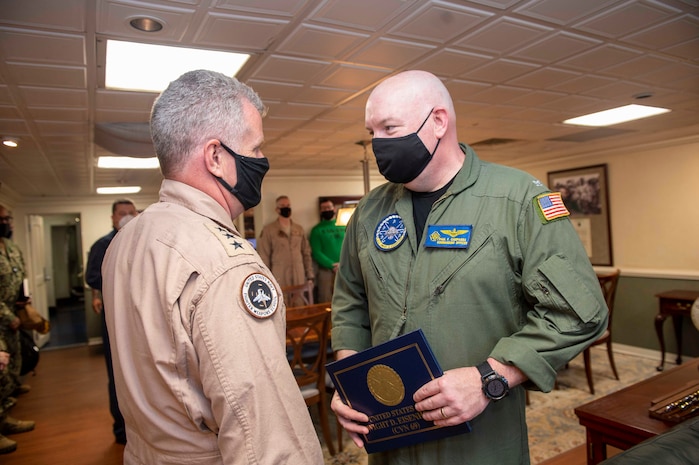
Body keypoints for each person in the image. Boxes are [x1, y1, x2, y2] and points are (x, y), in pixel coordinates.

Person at [330, 70, 609, 464]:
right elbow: (351, 301)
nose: (378, 144)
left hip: (481, 443)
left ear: (439, 121)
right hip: (390, 441)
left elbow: (579, 314)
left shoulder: (518, 201)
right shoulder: (370, 211)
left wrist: (490, 378)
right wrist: (350, 382)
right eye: (372, 131)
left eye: (390, 127)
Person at [101, 70, 323, 464]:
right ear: (216, 157)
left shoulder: (127, 240)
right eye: (255, 149)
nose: (262, 161)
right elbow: (265, 438)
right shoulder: (223, 263)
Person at [85, 198, 138, 445]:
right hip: (114, 319)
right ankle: (121, 429)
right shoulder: (102, 245)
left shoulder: (142, 240)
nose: (127, 216)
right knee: (117, 372)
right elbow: (92, 277)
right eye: (122, 213)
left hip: (139, 317)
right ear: (114, 218)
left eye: (132, 212)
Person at [0, 206, 35, 454]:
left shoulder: (11, 247)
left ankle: (5, 415)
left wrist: (24, 301)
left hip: (14, 317)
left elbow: (21, 276)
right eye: (1, 219)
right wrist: (7, 315)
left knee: (12, 366)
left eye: (7, 218)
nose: (7, 223)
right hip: (3, 318)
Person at [257, 195, 314, 305]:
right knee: (282, 305)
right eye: (283, 206)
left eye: (288, 205)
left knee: (300, 304)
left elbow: (306, 253)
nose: (286, 208)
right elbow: (264, 255)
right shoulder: (269, 230)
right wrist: (266, 278)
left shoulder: (298, 229)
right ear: (277, 209)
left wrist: (310, 275)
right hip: (279, 274)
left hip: (299, 273)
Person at [309, 198, 345, 303]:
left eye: (329, 207)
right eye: (324, 208)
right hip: (326, 271)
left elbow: (351, 246)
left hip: (345, 268)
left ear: (334, 209)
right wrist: (332, 265)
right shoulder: (316, 230)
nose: (327, 210)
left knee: (345, 299)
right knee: (326, 299)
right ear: (320, 211)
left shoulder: (344, 226)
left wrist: (342, 263)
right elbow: (316, 252)